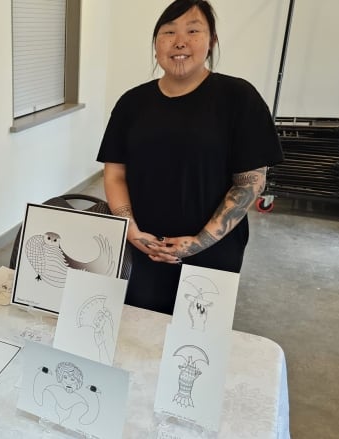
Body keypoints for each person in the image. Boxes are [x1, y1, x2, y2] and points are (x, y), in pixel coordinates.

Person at [97, 0, 283, 314]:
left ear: (211, 42)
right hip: (143, 246)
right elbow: (115, 172)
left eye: (193, 30)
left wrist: (198, 242)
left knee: (195, 343)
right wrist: (130, 229)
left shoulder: (239, 99)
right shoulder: (132, 103)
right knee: (139, 332)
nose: (180, 41)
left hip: (213, 252)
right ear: (156, 45)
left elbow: (249, 183)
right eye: (169, 32)